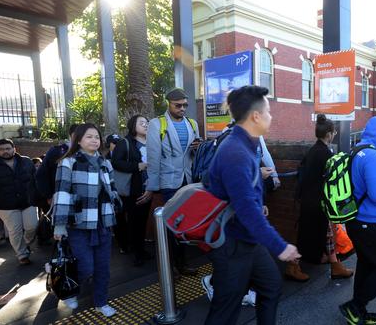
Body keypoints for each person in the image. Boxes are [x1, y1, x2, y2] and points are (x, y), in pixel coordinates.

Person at [204, 85, 299, 324]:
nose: (271, 116)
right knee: (225, 311)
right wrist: (281, 246)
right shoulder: (235, 151)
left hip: (248, 240)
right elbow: (246, 209)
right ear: (256, 116)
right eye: (268, 111)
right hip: (231, 245)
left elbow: (244, 196)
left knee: (271, 286)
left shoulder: (246, 144)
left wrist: (256, 204)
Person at [52, 123, 121, 317]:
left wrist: (116, 203)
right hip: (78, 223)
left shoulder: (105, 163)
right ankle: (69, 291)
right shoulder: (68, 162)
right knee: (85, 266)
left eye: (97, 137)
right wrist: (59, 225)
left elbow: (113, 188)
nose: (94, 140)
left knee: (103, 267)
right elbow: (62, 193)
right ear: (78, 140)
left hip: (103, 222)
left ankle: (101, 302)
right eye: (89, 137)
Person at [339, 116, 376, 325]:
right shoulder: (374, 155)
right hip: (372, 222)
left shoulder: (357, 150)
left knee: (366, 263)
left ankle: (358, 311)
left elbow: (360, 181)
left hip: (355, 220)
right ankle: (354, 306)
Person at [146, 88, 201, 275]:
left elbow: (195, 154)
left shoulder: (192, 124)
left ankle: (182, 263)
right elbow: (153, 158)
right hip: (169, 182)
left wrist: (198, 147)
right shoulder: (157, 124)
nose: (182, 108)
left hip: (188, 180)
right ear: (168, 103)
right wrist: (152, 187)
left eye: (185, 105)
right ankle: (170, 266)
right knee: (171, 225)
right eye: (178, 105)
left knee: (184, 224)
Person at [293, 114, 353, 280]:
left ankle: (335, 265)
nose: (334, 134)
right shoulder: (325, 153)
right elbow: (332, 180)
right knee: (309, 237)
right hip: (317, 202)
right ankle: (292, 266)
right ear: (329, 134)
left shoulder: (314, 150)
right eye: (333, 132)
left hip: (310, 200)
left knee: (324, 234)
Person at [0, 139, 37, 265]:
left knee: (32, 227)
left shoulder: (26, 162)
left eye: (8, 148)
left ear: (14, 149)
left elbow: (35, 180)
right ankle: (22, 255)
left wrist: (39, 196)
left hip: (28, 202)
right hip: (5, 206)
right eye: (2, 149)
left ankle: (25, 243)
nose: (5, 151)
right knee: (15, 231)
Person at [111, 115, 153, 266]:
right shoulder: (125, 142)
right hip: (132, 189)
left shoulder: (152, 141)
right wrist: (137, 166)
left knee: (142, 220)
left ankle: (141, 250)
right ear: (132, 126)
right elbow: (115, 162)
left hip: (149, 187)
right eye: (142, 123)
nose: (146, 125)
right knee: (134, 221)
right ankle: (136, 253)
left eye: (147, 122)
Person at [36, 124, 79, 205]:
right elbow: (41, 175)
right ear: (71, 135)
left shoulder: (92, 154)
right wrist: (49, 196)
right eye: (78, 135)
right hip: (59, 199)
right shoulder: (56, 152)